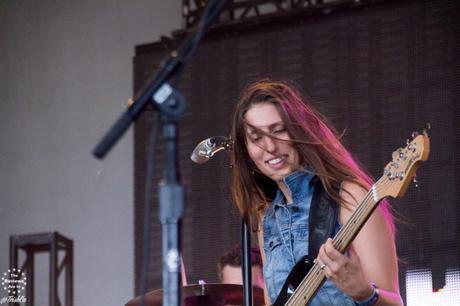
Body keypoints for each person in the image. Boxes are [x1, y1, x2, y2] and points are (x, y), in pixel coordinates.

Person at [229, 79, 403, 305]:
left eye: (278, 130)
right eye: (256, 138)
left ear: (299, 130)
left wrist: (364, 293)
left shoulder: (350, 196)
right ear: (246, 150)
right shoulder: (267, 219)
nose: (270, 147)